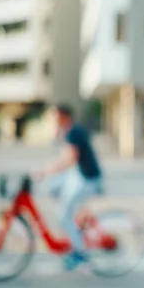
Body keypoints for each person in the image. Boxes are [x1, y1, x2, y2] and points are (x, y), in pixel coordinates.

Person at [30, 104, 103, 271]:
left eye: (54, 117)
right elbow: (65, 159)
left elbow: (70, 160)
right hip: (79, 176)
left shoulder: (74, 132)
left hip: (88, 179)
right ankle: (73, 223)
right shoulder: (70, 131)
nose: (52, 121)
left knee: (63, 215)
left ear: (63, 117)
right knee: (51, 188)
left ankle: (79, 251)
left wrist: (44, 171)